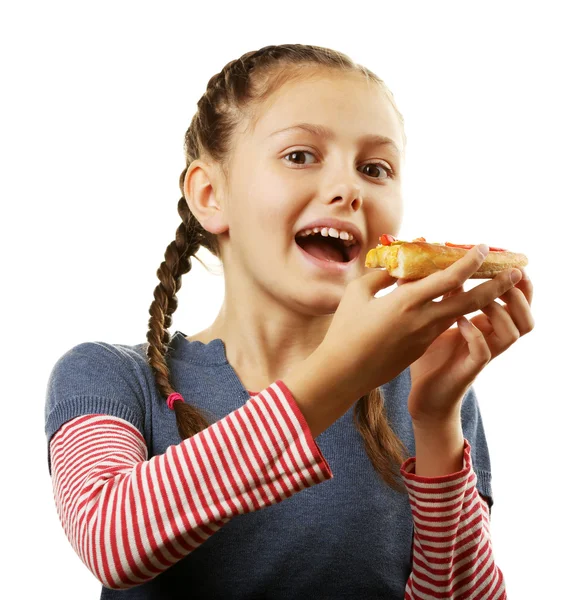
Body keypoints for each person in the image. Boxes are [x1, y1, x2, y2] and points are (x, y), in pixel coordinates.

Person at [45, 44, 534, 599]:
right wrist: (342, 372)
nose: (349, 188)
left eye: (375, 168)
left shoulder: (424, 389)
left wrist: (438, 419)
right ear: (211, 195)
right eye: (300, 156)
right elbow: (112, 539)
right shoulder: (109, 376)